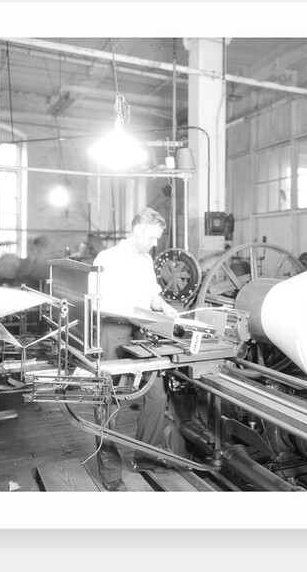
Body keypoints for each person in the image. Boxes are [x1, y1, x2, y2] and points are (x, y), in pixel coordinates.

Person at [88, 207, 177, 492]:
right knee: (107, 399)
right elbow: (95, 301)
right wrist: (130, 312)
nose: (155, 244)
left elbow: (152, 295)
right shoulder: (107, 259)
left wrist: (164, 307)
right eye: (152, 237)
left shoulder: (146, 259)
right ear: (138, 231)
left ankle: (146, 455)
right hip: (112, 331)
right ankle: (111, 473)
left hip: (141, 332)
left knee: (157, 394)